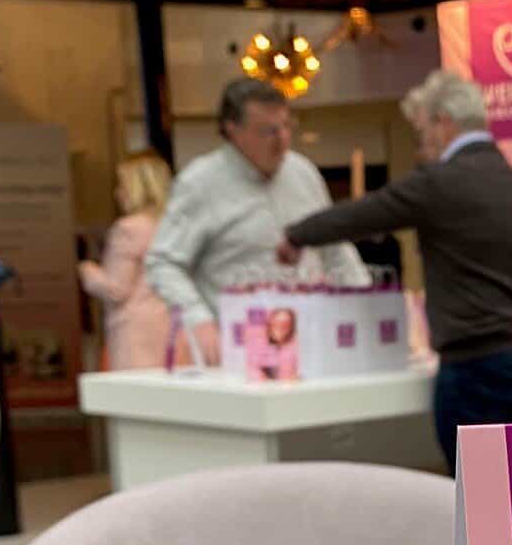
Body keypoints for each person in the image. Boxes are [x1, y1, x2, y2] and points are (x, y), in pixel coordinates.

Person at [279, 70, 512, 471]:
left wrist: (297, 235)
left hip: (472, 364)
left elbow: (366, 214)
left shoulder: (440, 183)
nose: (422, 147)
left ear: (444, 122)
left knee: (477, 489)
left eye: (422, 133)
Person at [143, 79, 365, 368]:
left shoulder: (303, 173)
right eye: (268, 131)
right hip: (238, 350)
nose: (282, 139)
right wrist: (198, 319)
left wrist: (364, 305)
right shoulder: (200, 183)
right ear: (232, 130)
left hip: (312, 342)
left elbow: (336, 250)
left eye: (286, 126)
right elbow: (163, 262)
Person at [78, 149, 173, 371]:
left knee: (135, 391)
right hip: (171, 329)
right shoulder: (174, 226)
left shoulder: (128, 229)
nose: (117, 193)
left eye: (122, 184)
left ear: (137, 188)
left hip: (136, 335)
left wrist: (86, 269)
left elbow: (116, 290)